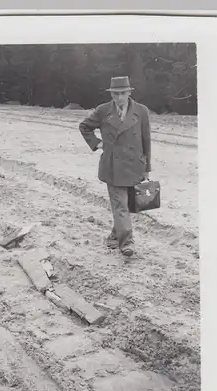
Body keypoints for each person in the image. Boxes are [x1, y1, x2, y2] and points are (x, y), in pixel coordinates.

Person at [79, 76, 151, 257]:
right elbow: (84, 126)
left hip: (135, 165)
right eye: (116, 94)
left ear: (129, 92)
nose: (119, 98)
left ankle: (114, 236)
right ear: (111, 94)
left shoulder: (141, 111)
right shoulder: (103, 111)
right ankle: (127, 243)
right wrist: (97, 143)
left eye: (123, 93)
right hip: (113, 166)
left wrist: (147, 167)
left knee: (129, 206)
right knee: (120, 206)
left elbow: (146, 140)